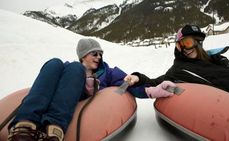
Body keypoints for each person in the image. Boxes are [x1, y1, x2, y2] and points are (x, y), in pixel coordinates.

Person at [7, 38, 175, 141]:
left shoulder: (108, 72)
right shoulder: (67, 67)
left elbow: (126, 86)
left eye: (100, 54)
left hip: (75, 99)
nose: (99, 57)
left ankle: (54, 129)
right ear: (83, 55)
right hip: (62, 88)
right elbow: (47, 85)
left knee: (75, 69)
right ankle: (25, 125)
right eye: (94, 53)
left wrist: (152, 91)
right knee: (54, 63)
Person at [125, 24, 229, 95]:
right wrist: (138, 78)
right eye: (180, 45)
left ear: (198, 43)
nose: (184, 49)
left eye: (187, 43)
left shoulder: (215, 59)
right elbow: (155, 83)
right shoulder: (178, 70)